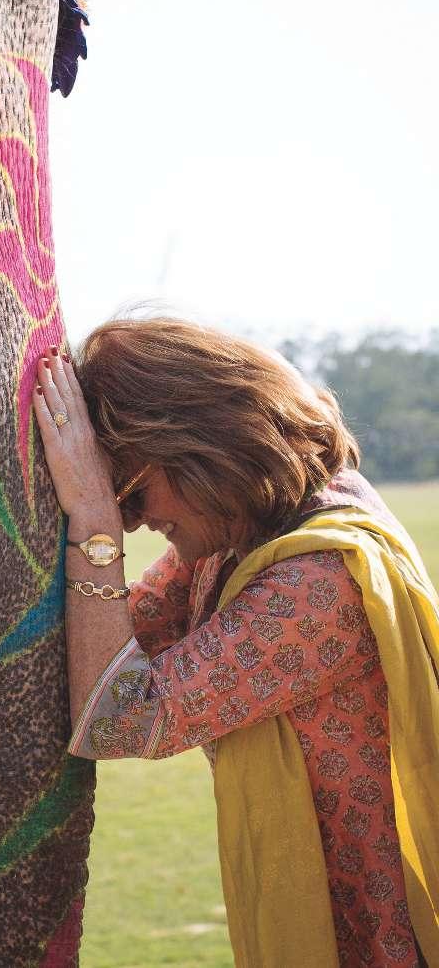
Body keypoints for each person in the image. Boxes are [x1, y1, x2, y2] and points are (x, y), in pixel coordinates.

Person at [32, 317, 439, 968]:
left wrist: (94, 523)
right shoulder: (239, 531)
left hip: (389, 931)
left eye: (132, 492)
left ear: (199, 447)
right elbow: (97, 641)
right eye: (115, 499)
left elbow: (118, 718)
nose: (134, 521)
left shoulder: (321, 577)